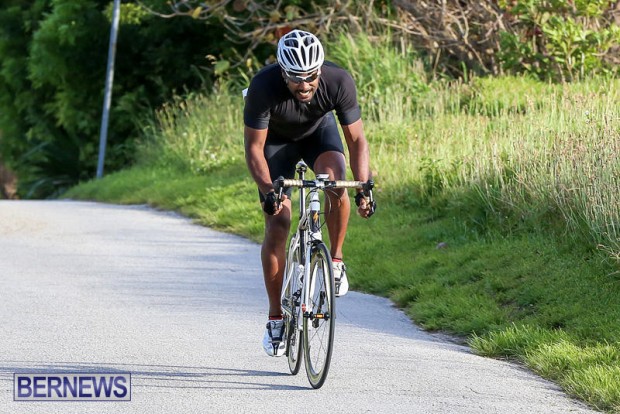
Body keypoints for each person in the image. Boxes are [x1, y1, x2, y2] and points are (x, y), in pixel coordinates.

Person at [243, 29, 375, 357]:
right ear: (282, 72)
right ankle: (275, 317)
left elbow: (357, 140)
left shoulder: (338, 81)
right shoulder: (263, 86)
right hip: (276, 144)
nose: (304, 85)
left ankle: (336, 260)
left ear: (320, 70)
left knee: (336, 183)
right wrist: (268, 191)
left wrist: (364, 186)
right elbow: (254, 148)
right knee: (277, 225)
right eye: (295, 78)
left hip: (319, 134)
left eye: (310, 77)